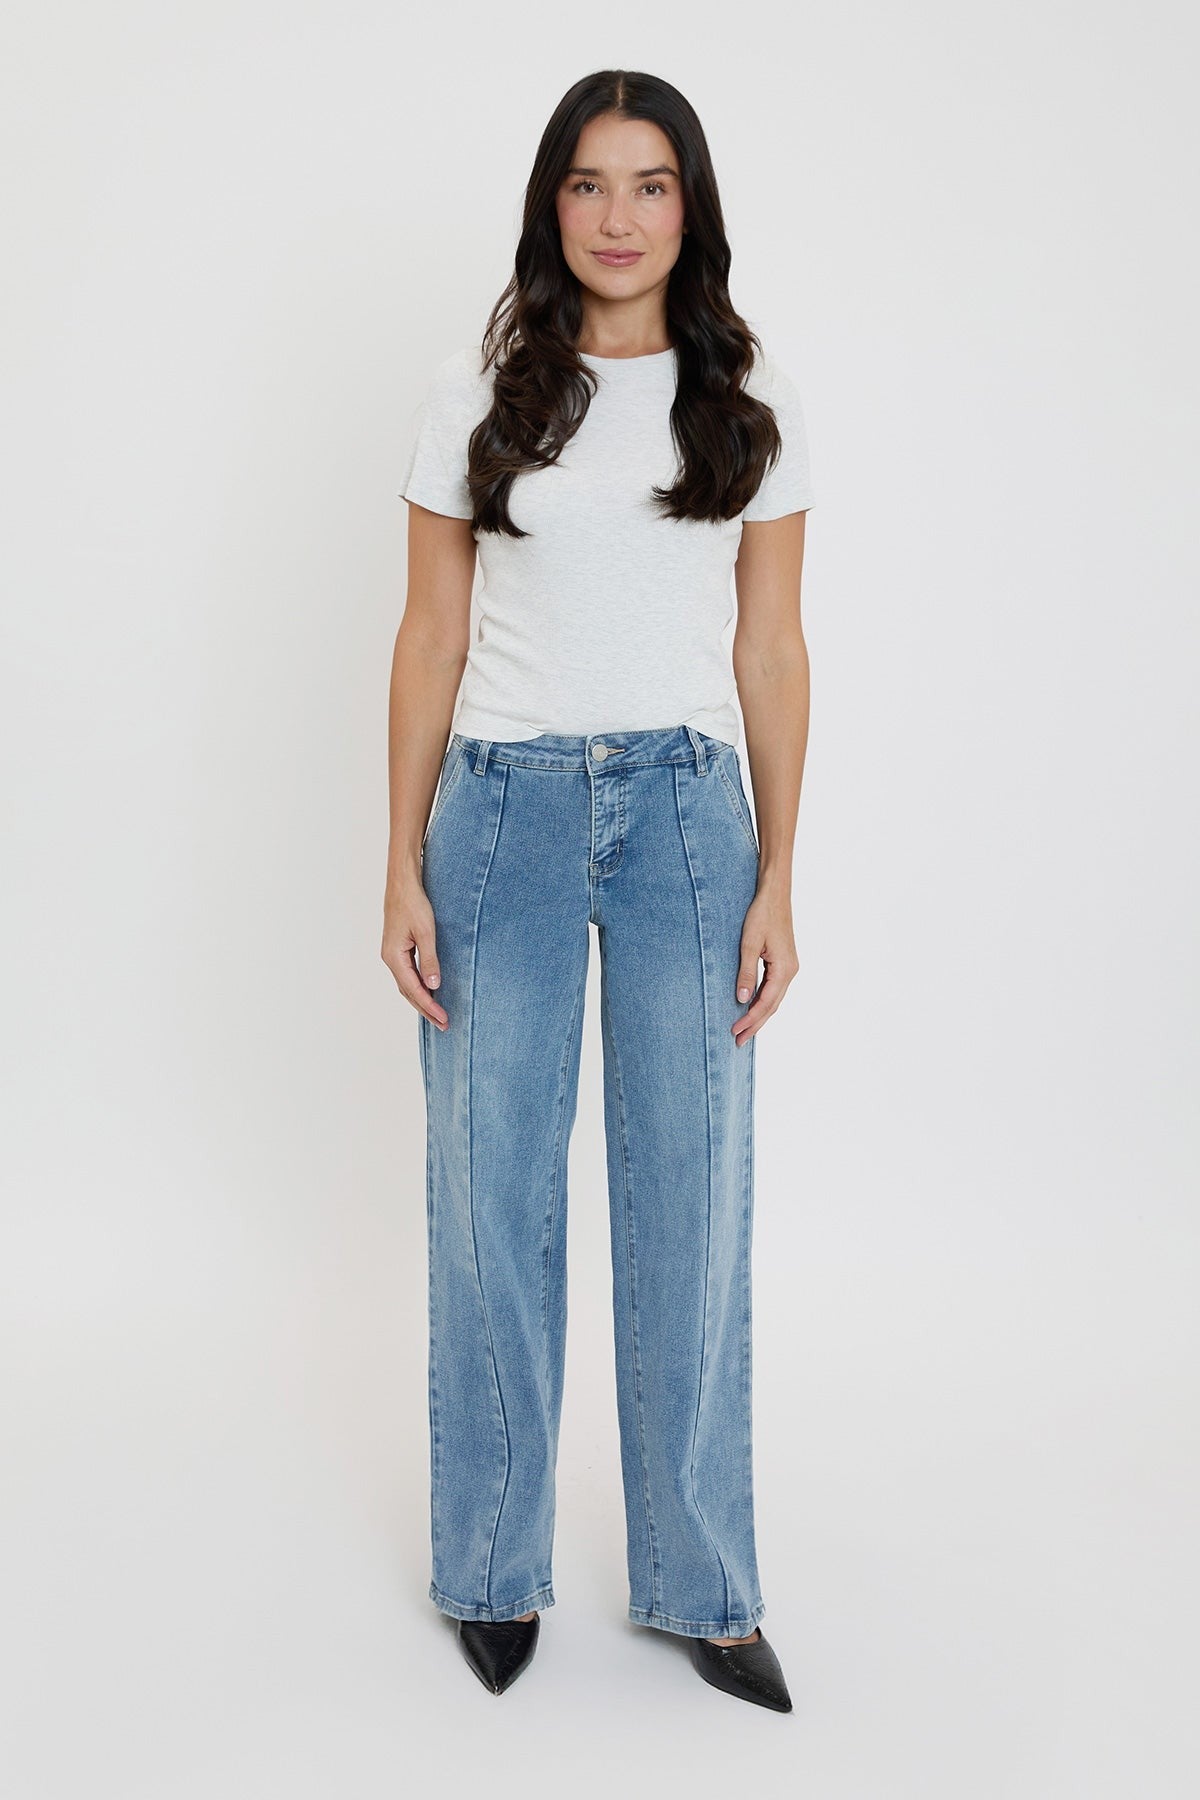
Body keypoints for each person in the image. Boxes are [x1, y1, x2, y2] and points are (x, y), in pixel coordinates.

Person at [382, 69, 814, 1712]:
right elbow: (429, 634)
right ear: (548, 205)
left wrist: (781, 873)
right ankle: (493, 1565)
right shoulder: (480, 389)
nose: (617, 217)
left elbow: (770, 645)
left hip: (688, 820)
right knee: (492, 1190)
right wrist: (398, 862)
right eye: (586, 184)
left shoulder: (747, 393)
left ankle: (703, 1580)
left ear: (688, 206)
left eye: (648, 185)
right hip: (498, 815)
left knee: (691, 1200)